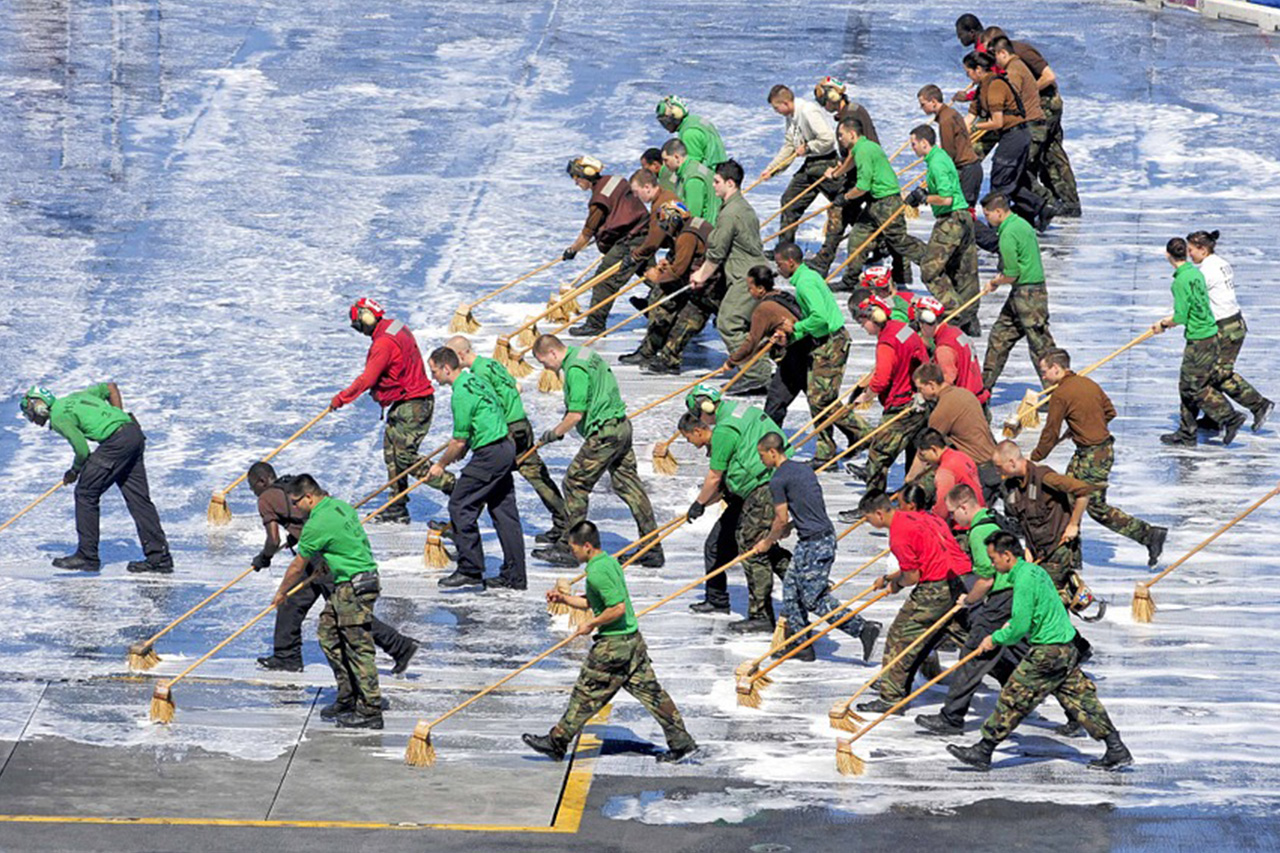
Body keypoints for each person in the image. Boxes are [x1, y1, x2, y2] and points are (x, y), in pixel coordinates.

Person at [948, 531, 1133, 772]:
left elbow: (1019, 628)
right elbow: (1037, 611)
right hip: (1066, 647)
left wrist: (994, 638)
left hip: (1048, 652)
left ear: (1006, 556)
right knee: (1081, 699)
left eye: (993, 558)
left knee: (1013, 698)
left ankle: (983, 750)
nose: (991, 564)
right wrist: (1013, 625)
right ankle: (1116, 748)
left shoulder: (1024, 580)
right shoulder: (1035, 571)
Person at [524, 521, 698, 764]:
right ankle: (682, 744)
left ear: (586, 546)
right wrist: (564, 598)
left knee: (585, 693)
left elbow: (616, 608)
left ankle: (556, 741)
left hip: (613, 646)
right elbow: (593, 602)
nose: (571, 552)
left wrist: (591, 624)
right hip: (632, 642)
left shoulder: (596, 572)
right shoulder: (608, 562)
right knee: (653, 695)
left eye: (573, 548)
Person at [248, 462, 418, 677]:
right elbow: (310, 514)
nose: (252, 491)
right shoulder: (292, 487)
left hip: (320, 558)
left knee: (349, 612)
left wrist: (264, 558)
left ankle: (400, 646)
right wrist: (295, 534)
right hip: (319, 552)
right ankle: (286, 656)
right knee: (293, 604)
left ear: (262, 481)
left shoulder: (265, 498)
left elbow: (272, 540)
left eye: (251, 486)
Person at [530, 335, 662, 568]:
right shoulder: (586, 354)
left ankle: (569, 548)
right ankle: (652, 547)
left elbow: (576, 414)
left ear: (552, 353)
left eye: (543, 362)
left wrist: (554, 433)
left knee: (574, 483)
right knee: (629, 485)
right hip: (621, 427)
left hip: (605, 434)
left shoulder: (574, 369)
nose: (546, 368)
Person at [1032, 349, 1168, 568]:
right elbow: (1110, 412)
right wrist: (1082, 427)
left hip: (1093, 455)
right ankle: (1069, 558)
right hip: (1093, 451)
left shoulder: (1060, 394)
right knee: (1065, 496)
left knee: (1093, 506)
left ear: (1056, 368)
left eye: (1045, 372)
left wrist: (1034, 458)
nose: (1044, 377)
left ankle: (1149, 534)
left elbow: (1050, 433)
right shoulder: (1089, 383)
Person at [20, 382, 172, 573]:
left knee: (85, 493)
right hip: (133, 433)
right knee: (138, 499)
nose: (31, 418)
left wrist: (74, 471)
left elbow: (82, 451)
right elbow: (111, 387)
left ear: (39, 406)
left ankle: (87, 556)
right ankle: (160, 559)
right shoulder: (76, 396)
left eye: (29, 411)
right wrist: (120, 417)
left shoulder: (59, 416)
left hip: (116, 443)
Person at [755, 432, 880, 661]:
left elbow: (780, 518)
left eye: (762, 455)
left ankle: (862, 629)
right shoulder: (804, 469)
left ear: (772, 452)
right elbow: (809, 506)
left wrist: (767, 541)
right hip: (811, 538)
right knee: (791, 590)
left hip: (817, 543)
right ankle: (802, 645)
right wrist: (794, 525)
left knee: (813, 597)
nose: (761, 460)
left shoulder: (778, 479)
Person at [273, 475, 384, 728]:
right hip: (353, 581)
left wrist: (281, 593)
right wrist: (326, 565)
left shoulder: (316, 523)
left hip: (353, 586)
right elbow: (347, 543)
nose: (295, 508)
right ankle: (348, 695)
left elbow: (296, 566)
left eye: (296, 502)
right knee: (328, 634)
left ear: (309, 497)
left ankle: (370, 709)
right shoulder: (340, 506)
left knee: (358, 647)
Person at [678, 384, 792, 630]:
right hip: (754, 488)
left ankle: (763, 615)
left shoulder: (725, 430)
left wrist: (699, 504)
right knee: (721, 544)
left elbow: (714, 477)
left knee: (755, 550)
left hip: (762, 488)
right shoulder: (741, 411)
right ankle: (717, 599)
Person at [915, 484, 1021, 735]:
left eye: (953, 512)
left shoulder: (978, 533)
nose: (953, 518)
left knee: (971, 656)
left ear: (964, 506)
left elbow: (987, 579)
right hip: (1015, 595)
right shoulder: (992, 518)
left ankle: (951, 718)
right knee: (1011, 654)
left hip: (1000, 601)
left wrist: (969, 599)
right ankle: (1023, 698)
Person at [856, 492, 973, 714]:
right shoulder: (920, 517)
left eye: (867, 517)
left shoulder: (898, 534)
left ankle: (891, 697)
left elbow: (912, 577)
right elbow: (922, 558)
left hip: (934, 589)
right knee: (967, 636)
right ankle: (1014, 669)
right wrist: (889, 578)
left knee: (901, 636)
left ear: (879, 514)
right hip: (957, 580)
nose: (867, 522)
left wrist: (897, 585)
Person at [443, 336, 567, 544]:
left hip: (507, 429)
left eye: (451, 356)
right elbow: (516, 386)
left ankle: (459, 524)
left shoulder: (478, 374)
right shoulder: (491, 364)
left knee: (486, 475)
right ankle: (564, 521)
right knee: (535, 475)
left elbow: (489, 405)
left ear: (461, 354)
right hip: (521, 423)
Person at [426, 347, 526, 591]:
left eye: (434, 371)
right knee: (504, 513)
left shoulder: (460, 393)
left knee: (460, 505)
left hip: (490, 454)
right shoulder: (476, 380)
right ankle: (515, 576)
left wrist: (441, 464)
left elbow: (458, 441)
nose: (433, 377)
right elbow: (480, 422)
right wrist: (462, 448)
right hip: (505, 447)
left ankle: (470, 569)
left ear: (446, 368)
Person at [331, 297, 435, 525]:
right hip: (405, 401)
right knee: (391, 455)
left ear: (367, 318)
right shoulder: (395, 325)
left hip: (413, 404)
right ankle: (397, 507)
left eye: (359, 325)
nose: (361, 331)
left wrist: (341, 399)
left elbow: (367, 379)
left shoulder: (382, 344)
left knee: (405, 458)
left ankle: (451, 486)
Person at [769, 242, 865, 465]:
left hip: (831, 343)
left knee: (821, 400)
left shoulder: (805, 283)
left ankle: (862, 432)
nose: (778, 268)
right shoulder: (807, 277)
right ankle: (827, 451)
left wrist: (797, 328)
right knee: (819, 399)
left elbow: (820, 318)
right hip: (824, 342)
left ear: (791, 262)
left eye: (780, 263)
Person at [1150, 237, 1245, 446]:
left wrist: (1163, 324)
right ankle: (1187, 432)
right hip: (1210, 334)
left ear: (1168, 255)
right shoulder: (1195, 273)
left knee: (1194, 387)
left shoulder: (1180, 281)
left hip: (1199, 339)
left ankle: (1229, 417)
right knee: (1187, 386)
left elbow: (1181, 316)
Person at [689, 160, 773, 394]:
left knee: (729, 322)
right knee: (741, 323)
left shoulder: (731, 214)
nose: (713, 186)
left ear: (730, 183)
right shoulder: (741, 208)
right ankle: (758, 369)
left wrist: (701, 275)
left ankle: (757, 374)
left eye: (717, 182)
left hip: (746, 277)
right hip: (751, 273)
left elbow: (716, 252)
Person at [982, 28, 1081, 215]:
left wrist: (1024, 93)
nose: (990, 58)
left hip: (1045, 107)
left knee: (1031, 161)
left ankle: (1048, 204)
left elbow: (1049, 76)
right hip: (1037, 110)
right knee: (1050, 156)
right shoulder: (1012, 62)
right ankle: (1065, 203)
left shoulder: (1021, 52)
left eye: (991, 51)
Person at [1187, 230, 1273, 432]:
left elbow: (1194, 300)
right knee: (1212, 370)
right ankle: (1213, 418)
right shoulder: (1220, 262)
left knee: (1218, 374)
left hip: (1226, 328)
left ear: (1203, 249)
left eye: (1191, 250)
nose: (1189, 254)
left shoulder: (1206, 271)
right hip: (1232, 323)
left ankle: (1259, 404)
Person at [829, 118, 925, 291]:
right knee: (858, 237)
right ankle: (850, 280)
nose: (840, 139)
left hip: (887, 202)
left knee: (899, 241)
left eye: (841, 135)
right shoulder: (863, 147)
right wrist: (836, 174)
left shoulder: (864, 151)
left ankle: (934, 261)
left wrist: (845, 198)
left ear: (852, 134)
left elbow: (862, 186)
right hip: (876, 202)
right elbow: (850, 161)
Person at [903, 125, 980, 336]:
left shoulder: (936, 163)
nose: (913, 149)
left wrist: (924, 198)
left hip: (951, 219)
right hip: (964, 216)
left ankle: (955, 312)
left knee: (929, 270)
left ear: (924, 143)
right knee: (963, 270)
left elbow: (946, 198)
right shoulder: (941, 156)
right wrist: (922, 193)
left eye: (914, 144)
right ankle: (970, 318)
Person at [631, 201, 724, 375]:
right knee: (680, 314)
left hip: (708, 287)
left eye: (666, 224)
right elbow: (685, 261)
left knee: (688, 320)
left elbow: (678, 272)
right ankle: (659, 354)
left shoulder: (686, 236)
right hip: (702, 280)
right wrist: (669, 265)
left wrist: (656, 276)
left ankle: (667, 359)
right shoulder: (695, 224)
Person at [849, 294, 930, 494]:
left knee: (879, 453)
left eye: (863, 323)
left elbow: (881, 380)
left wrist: (866, 396)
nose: (863, 328)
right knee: (914, 450)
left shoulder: (886, 342)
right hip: (919, 401)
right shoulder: (903, 329)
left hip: (901, 404)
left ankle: (872, 501)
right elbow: (923, 358)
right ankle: (913, 496)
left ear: (873, 318)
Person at [562, 156, 650, 336]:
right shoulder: (614, 180)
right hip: (646, 232)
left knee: (603, 282)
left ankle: (595, 324)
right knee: (651, 274)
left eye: (576, 178)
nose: (576, 183)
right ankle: (679, 305)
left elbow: (587, 233)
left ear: (585, 175)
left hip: (629, 241)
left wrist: (572, 250)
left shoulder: (598, 200)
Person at [979, 192, 1057, 392]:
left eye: (987, 215)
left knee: (1040, 345)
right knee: (999, 337)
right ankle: (982, 389)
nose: (986, 219)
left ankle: (1056, 391)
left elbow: (1011, 273)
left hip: (1029, 294)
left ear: (998, 211)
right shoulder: (1021, 223)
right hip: (1023, 293)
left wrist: (995, 282)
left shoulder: (1007, 234)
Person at [992, 440, 1091, 592]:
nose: (998, 472)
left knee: (1047, 598)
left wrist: (1073, 524)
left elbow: (1083, 491)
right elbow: (1022, 520)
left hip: (1058, 550)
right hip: (1037, 552)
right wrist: (1027, 548)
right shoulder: (1012, 487)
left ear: (1011, 462)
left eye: (999, 467)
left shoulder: (1045, 477)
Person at [965, 52, 1048, 232]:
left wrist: (975, 129)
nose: (968, 77)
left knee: (1000, 181)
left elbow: (997, 122)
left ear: (978, 70)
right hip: (1012, 136)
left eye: (968, 72)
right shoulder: (983, 88)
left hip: (1016, 135)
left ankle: (997, 227)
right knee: (1009, 181)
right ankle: (1041, 207)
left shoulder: (995, 86)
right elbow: (971, 117)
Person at [811, 77, 880, 276]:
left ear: (834, 97)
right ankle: (879, 246)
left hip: (864, 176)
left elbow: (855, 152)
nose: (825, 105)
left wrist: (836, 172)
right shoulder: (850, 112)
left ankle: (824, 261)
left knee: (838, 211)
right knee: (845, 214)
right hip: (860, 173)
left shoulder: (852, 115)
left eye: (825, 100)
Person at [760, 85, 840, 250]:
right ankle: (784, 249)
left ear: (786, 103)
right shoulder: (790, 116)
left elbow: (828, 139)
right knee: (789, 201)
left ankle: (878, 242)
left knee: (845, 204)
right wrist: (772, 169)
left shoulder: (808, 111)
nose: (776, 112)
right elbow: (790, 146)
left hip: (826, 163)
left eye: (776, 108)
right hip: (811, 165)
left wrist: (809, 147)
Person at [910, 363, 1000, 506]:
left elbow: (927, 449)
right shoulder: (964, 394)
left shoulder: (943, 410)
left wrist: (910, 480)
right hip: (994, 465)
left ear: (932, 385)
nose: (920, 394)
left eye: (921, 389)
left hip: (978, 471)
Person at [918, 84, 982, 208]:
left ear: (934, 102)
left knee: (963, 213)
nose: (922, 108)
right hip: (972, 168)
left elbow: (949, 155)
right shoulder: (950, 113)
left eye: (923, 104)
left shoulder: (945, 120)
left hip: (966, 169)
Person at [914, 298, 987, 401]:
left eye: (920, 324)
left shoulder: (944, 349)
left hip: (966, 404)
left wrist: (924, 396)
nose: (920, 328)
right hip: (977, 395)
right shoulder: (955, 332)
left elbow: (945, 385)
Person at [912, 429, 984, 519]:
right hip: (980, 511)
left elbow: (942, 509)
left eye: (924, 455)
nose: (925, 461)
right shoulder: (962, 456)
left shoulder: (945, 471)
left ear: (934, 449)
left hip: (963, 523)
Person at [655, 95, 727, 167]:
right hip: (721, 170)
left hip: (711, 174)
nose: (666, 126)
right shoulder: (696, 120)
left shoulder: (688, 133)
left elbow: (693, 167)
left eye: (666, 121)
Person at [661, 138, 720, 225]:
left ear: (676, 157)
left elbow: (693, 215)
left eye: (666, 160)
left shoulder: (692, 179)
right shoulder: (692, 167)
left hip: (707, 231)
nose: (664, 165)